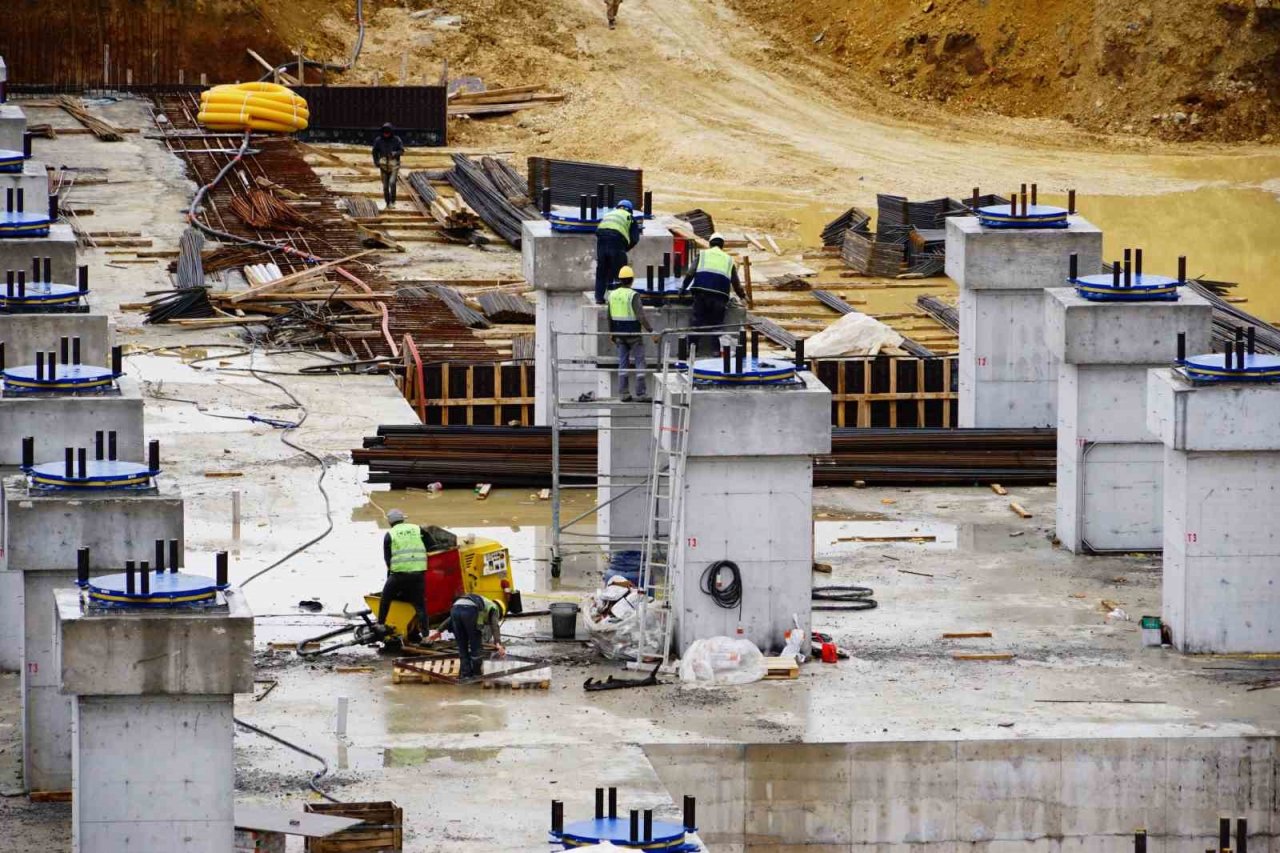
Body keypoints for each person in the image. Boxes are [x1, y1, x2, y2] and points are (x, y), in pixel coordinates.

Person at [680, 232, 750, 355]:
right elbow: (735, 281)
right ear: (722, 245)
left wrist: (683, 288)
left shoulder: (702, 254)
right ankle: (715, 351)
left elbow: (690, 273)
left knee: (697, 321)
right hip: (720, 296)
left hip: (701, 293)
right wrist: (742, 296)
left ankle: (692, 349)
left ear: (710, 244)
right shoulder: (728, 259)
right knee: (716, 324)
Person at [376, 508, 431, 640]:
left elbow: (387, 559)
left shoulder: (390, 534)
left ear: (390, 522)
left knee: (386, 597)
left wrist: (391, 574)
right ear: (403, 518)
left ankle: (380, 624)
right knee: (420, 605)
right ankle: (426, 637)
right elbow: (430, 543)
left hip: (399, 574)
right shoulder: (417, 529)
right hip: (418, 572)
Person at [428, 593, 506, 680]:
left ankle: (465, 675)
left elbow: (452, 617)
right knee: (475, 647)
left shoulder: (483, 602)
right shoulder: (494, 608)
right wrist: (498, 643)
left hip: (455, 608)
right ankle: (477, 675)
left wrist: (439, 630)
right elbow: (494, 625)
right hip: (470, 611)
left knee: (462, 648)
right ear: (500, 611)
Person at [607, 265, 653, 401]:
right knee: (640, 362)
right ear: (632, 280)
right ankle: (641, 393)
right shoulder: (633, 295)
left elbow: (609, 316)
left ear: (620, 279)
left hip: (619, 335)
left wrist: (611, 333)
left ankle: (624, 393)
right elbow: (641, 316)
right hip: (633, 334)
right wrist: (651, 331)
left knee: (623, 363)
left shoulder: (612, 295)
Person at [594, 199, 641, 305]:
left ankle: (599, 298)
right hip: (616, 240)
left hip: (601, 239)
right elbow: (635, 239)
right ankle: (619, 299)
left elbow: (599, 229)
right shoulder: (629, 217)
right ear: (630, 210)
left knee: (601, 270)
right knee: (620, 271)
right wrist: (624, 249)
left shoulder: (609, 214)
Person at [372, 122, 404, 209]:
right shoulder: (378, 140)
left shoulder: (397, 140)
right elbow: (374, 152)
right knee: (385, 186)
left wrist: (395, 153)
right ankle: (387, 202)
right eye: (384, 133)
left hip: (394, 165)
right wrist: (376, 161)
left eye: (388, 133)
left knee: (392, 183)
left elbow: (402, 151)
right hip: (383, 166)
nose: (386, 135)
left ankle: (393, 201)